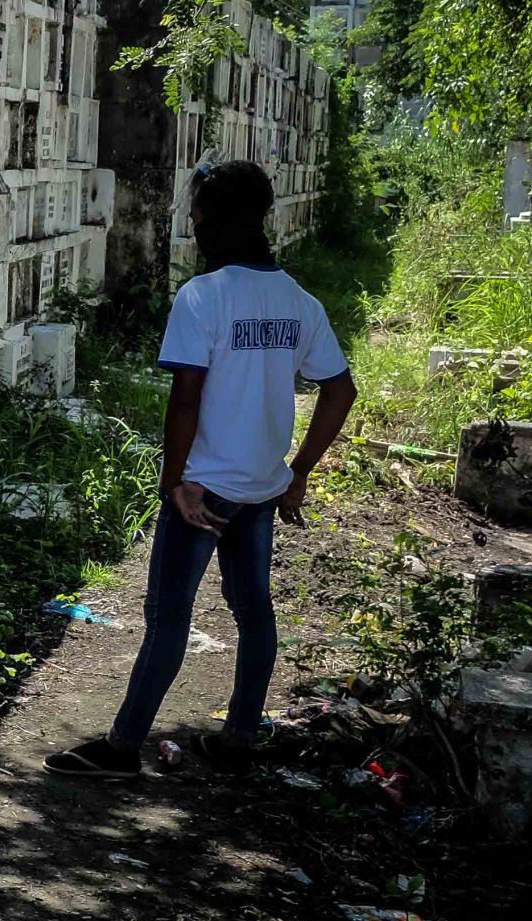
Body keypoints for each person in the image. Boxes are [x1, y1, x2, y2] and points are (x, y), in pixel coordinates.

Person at [44, 159, 357, 780]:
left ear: (211, 220)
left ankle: (122, 748)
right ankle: (240, 738)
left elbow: (185, 398)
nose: (193, 221)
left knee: (168, 618)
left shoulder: (203, 297)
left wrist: (174, 481)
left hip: (205, 489)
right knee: (255, 611)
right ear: (265, 216)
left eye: (197, 213)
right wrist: (299, 472)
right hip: (262, 486)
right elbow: (339, 391)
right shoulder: (300, 303)